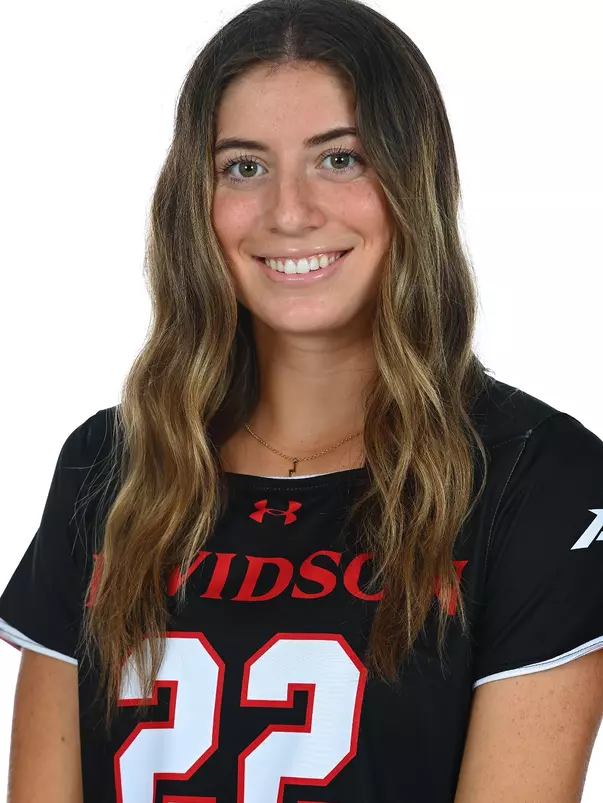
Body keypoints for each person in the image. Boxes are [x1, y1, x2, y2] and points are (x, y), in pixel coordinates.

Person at [2, 0, 603, 801]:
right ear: (196, 201)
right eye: (243, 167)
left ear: (412, 179)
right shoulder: (108, 467)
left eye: (340, 159)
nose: (288, 212)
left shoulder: (540, 479)